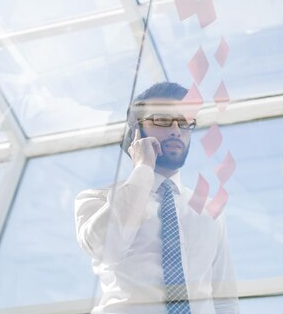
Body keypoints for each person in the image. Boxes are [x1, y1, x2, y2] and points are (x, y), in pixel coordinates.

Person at [75, 82, 239, 314]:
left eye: (184, 123)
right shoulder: (96, 199)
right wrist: (142, 169)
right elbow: (108, 248)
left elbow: (225, 299)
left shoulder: (210, 209)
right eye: (162, 120)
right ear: (135, 132)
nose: (175, 129)